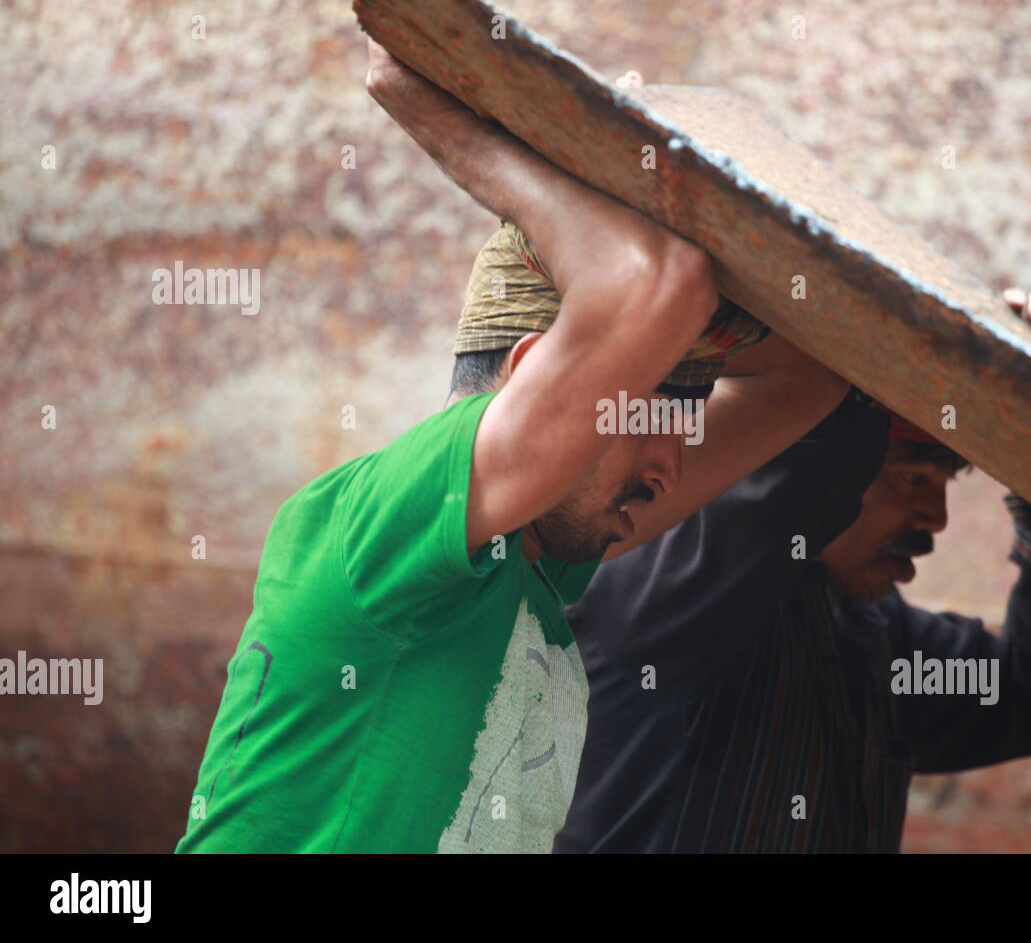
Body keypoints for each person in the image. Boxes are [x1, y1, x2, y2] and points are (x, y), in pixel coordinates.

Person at [175, 42, 846, 853]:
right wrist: (459, 124)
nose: (670, 467)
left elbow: (811, 378)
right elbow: (655, 286)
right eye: (650, 421)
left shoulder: (531, 560)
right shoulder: (384, 516)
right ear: (530, 370)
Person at [555, 289, 1031, 853]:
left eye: (945, 482)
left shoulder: (875, 638)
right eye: (912, 475)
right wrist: (975, 352)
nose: (935, 519)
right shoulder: (659, 588)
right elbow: (816, 433)